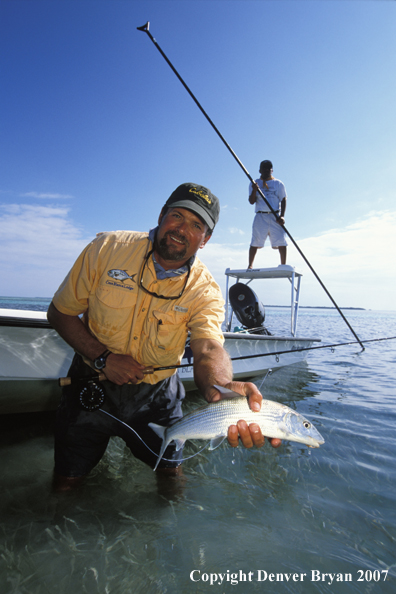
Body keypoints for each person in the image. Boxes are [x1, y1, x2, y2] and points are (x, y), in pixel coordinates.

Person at [48, 182, 281, 492]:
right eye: (176, 216)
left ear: (205, 239)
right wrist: (103, 358)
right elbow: (60, 313)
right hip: (89, 385)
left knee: (171, 482)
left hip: (156, 399)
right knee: (66, 482)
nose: (181, 229)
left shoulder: (206, 290)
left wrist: (222, 388)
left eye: (196, 225)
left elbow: (209, 347)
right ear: (161, 216)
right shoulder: (107, 249)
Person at [248, 160, 288, 269]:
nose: (266, 171)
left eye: (268, 169)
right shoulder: (254, 183)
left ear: (272, 170)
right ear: (260, 170)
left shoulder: (278, 183)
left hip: (275, 215)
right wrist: (255, 190)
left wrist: (282, 216)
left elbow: (283, 199)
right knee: (255, 240)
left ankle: (283, 265)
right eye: (264, 169)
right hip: (261, 216)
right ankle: (250, 265)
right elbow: (251, 201)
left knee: (281, 240)